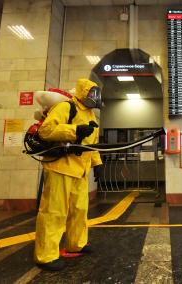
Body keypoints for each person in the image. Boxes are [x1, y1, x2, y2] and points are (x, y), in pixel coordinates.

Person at [34, 78, 103, 271]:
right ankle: (46, 255)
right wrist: (74, 131)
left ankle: (76, 243)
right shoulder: (66, 107)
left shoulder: (90, 115)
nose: (94, 98)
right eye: (91, 93)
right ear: (83, 92)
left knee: (79, 210)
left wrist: (97, 164)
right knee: (54, 212)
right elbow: (46, 131)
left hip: (80, 170)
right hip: (61, 167)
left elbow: (90, 144)